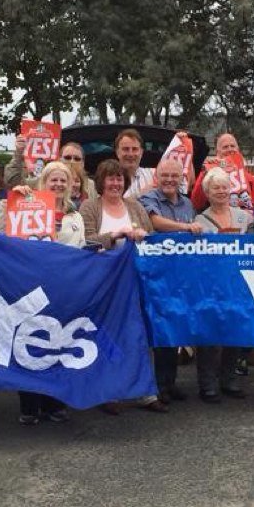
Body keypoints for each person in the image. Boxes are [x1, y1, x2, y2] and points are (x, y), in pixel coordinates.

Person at [0, 161, 84, 424]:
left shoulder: (74, 215)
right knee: (28, 343)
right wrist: (7, 203)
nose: (58, 184)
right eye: (53, 180)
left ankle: (54, 404)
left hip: (63, 288)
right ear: (43, 182)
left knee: (58, 344)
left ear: (70, 185)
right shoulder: (26, 204)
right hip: (29, 286)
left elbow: (80, 250)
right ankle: (29, 405)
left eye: (63, 181)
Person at [78, 160, 165, 413]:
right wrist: (114, 236)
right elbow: (85, 241)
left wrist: (141, 236)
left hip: (133, 280)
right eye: (110, 178)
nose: (115, 183)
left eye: (119, 179)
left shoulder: (135, 207)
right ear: (101, 182)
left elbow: (151, 240)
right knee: (106, 335)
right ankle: (109, 391)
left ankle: (145, 392)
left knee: (138, 333)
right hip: (102, 282)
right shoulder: (89, 206)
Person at [138, 159, 203, 403]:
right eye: (164, 175)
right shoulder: (149, 199)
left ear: (181, 178)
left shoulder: (187, 202)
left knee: (174, 329)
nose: (169, 180)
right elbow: (155, 222)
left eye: (173, 176)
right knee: (158, 329)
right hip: (157, 274)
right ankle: (156, 385)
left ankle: (169, 382)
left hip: (181, 274)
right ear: (157, 177)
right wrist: (186, 227)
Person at [193, 169, 254, 402]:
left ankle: (229, 379)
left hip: (239, 282)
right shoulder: (198, 221)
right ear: (207, 192)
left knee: (234, 331)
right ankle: (207, 383)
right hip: (211, 285)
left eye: (224, 187)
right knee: (210, 334)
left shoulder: (244, 217)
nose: (221, 191)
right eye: (215, 187)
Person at [190, 133, 254, 212]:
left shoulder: (249, 178)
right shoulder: (208, 173)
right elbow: (196, 203)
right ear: (217, 152)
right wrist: (205, 173)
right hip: (218, 220)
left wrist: (252, 214)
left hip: (245, 221)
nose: (230, 149)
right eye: (225, 147)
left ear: (238, 149)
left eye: (232, 146)